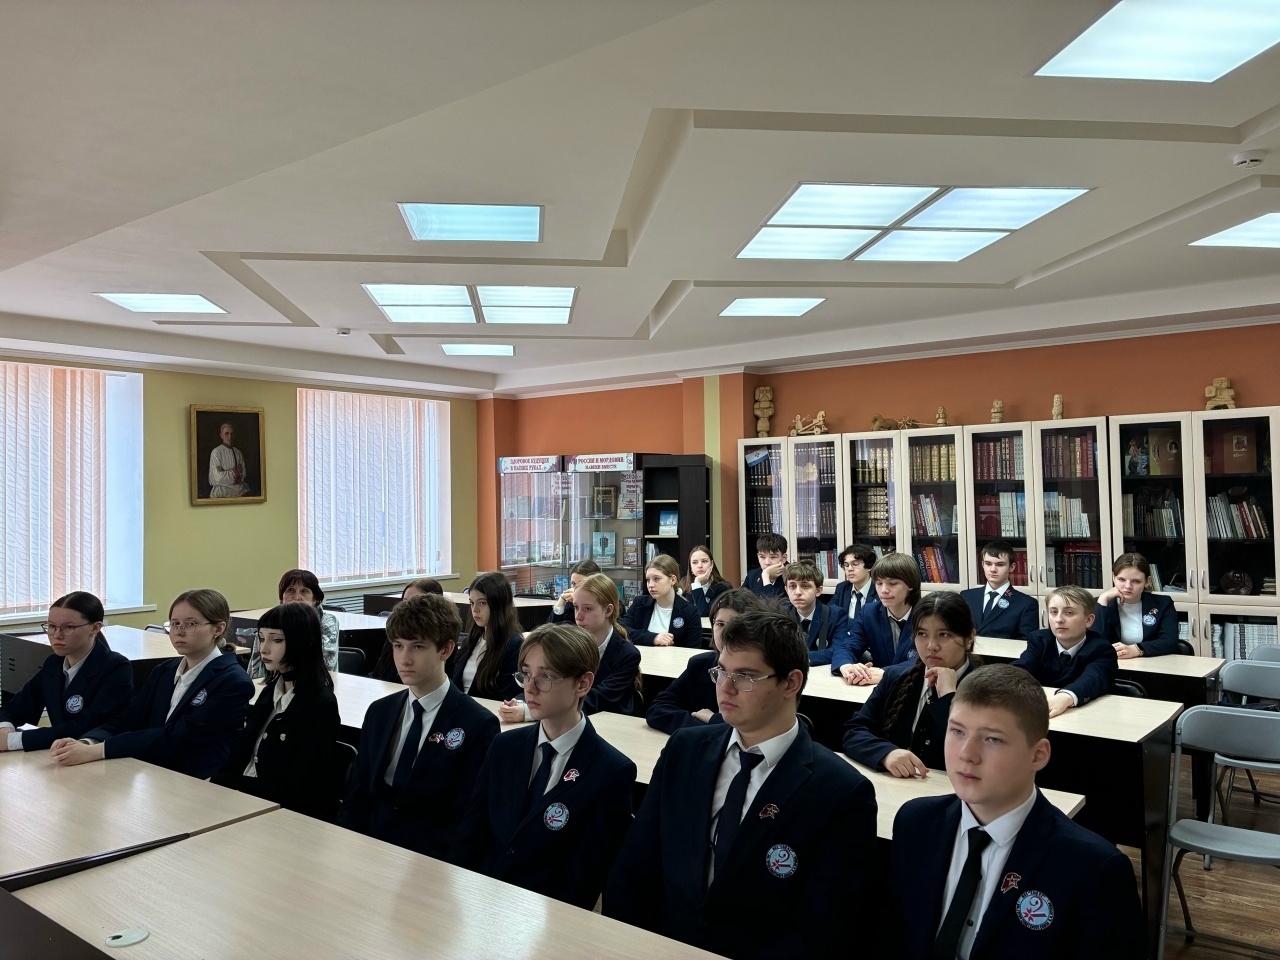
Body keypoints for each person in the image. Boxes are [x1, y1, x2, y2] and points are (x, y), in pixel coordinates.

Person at [603, 610, 878, 960]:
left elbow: (823, 928)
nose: (725, 688)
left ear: (791, 683)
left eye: (745, 676)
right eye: (721, 672)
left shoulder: (841, 791)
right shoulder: (684, 750)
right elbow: (635, 865)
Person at [885, 664, 1144, 959]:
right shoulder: (915, 823)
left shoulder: (1093, 869)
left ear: (1038, 755)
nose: (966, 754)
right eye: (957, 731)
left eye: (992, 739)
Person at [451, 625, 637, 908]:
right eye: (526, 674)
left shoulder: (611, 771)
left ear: (583, 684)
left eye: (546, 677)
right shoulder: (504, 746)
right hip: (481, 896)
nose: (530, 687)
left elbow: (585, 877)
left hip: (547, 912)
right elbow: (471, 833)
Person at [338, 594, 500, 858]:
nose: (405, 659)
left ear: (446, 650)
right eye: (398, 646)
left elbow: (469, 820)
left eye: (418, 647)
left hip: (431, 857)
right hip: (371, 848)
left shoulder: (477, 724)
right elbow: (358, 793)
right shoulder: (380, 712)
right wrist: (345, 844)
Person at [51, 589, 253, 779]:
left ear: (218, 628)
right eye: (174, 623)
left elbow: (178, 737)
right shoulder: (164, 671)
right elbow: (130, 719)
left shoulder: (233, 682)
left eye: (190, 624)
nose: (179, 631)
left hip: (199, 781)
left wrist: (99, 751)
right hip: (154, 773)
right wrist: (88, 741)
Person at [214, 602, 341, 819]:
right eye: (261, 638)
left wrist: (231, 785)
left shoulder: (320, 704)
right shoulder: (269, 692)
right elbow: (240, 753)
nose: (264, 649)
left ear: (301, 642)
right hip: (243, 799)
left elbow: (297, 787)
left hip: (279, 813)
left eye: (276, 640)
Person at [843, 592, 979, 777]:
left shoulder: (988, 690)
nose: (931, 645)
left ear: (969, 637)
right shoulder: (897, 677)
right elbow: (854, 731)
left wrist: (948, 696)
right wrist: (886, 753)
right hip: (900, 786)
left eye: (944, 634)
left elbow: (975, 752)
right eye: (922, 634)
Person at [0, 592, 132, 753]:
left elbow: (83, 727)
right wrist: (5, 729)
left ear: (95, 628)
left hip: (96, 756)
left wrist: (13, 741)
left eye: (69, 627)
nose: (57, 635)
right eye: (52, 626)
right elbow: (17, 707)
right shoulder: (54, 663)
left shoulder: (116, 667)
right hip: (61, 753)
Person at [501, 572, 642, 720]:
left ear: (608, 610)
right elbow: (544, 683)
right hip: (565, 721)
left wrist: (528, 712)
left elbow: (598, 700)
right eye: (576, 607)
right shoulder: (567, 645)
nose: (578, 616)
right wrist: (519, 702)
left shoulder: (627, 654)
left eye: (587, 609)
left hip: (609, 723)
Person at [645, 589, 765, 734]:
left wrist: (714, 719)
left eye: (735, 625)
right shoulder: (700, 665)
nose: (726, 633)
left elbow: (764, 726)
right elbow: (657, 709)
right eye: (720, 624)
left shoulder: (760, 672)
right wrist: (706, 729)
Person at [1010, 585, 1116, 718]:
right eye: (1053, 612)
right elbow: (1022, 667)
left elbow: (1092, 679)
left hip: (1083, 716)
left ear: (1088, 620)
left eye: (1069, 613)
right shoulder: (1040, 640)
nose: (1059, 619)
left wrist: (1066, 697)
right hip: (1037, 709)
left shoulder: (1101, 649)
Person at [831, 551, 920, 686]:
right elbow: (847, 646)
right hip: (876, 689)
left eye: (892, 583)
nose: (884, 590)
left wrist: (885, 673)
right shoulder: (869, 612)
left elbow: (927, 661)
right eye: (878, 583)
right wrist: (847, 667)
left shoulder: (928, 615)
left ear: (910, 584)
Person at [248, 569, 339, 677]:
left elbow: (325, 662)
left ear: (315, 599)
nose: (296, 597)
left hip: (314, 681)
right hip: (272, 682)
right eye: (290, 591)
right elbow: (255, 666)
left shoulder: (327, 621)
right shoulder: (271, 622)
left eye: (304, 591)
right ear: (282, 597)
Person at [448, 572, 523, 702]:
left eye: (482, 603)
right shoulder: (469, 642)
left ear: (499, 605)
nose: (475, 609)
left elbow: (509, 695)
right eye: (472, 603)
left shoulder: (513, 645)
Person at [1093, 553, 1179, 659]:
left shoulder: (1163, 603)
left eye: (1136, 581)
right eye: (1121, 579)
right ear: (1113, 578)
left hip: (1150, 665)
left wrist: (1137, 649)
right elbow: (1093, 644)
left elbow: (1170, 642)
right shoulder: (1099, 604)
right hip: (1108, 665)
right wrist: (1102, 601)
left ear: (1147, 582)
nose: (1128, 586)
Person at [960, 540, 1039, 640]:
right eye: (988, 564)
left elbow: (1025, 643)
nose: (993, 569)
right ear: (982, 564)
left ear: (1011, 567)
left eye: (1000, 564)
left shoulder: (1026, 604)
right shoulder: (966, 597)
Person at [370, 578, 444, 682]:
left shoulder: (441, 639)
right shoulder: (396, 635)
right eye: (405, 602)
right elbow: (379, 674)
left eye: (416, 602)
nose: (408, 608)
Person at [619, 554, 701, 647]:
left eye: (656, 579)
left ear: (673, 580)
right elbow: (621, 630)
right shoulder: (640, 603)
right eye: (648, 580)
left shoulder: (690, 612)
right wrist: (653, 638)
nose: (650, 585)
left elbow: (693, 650)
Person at [782, 560, 838, 665]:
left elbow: (840, 650)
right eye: (792, 586)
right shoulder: (780, 615)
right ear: (786, 590)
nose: (798, 592)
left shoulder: (835, 615)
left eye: (805, 586)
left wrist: (799, 659)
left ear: (818, 590)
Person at [829, 543, 877, 646]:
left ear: (869, 566)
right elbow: (831, 615)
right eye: (846, 565)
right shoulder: (842, 588)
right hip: (844, 643)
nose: (849, 569)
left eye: (855, 564)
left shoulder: (879, 589)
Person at [681, 546, 730, 619]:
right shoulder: (683, 586)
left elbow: (703, 613)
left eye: (704, 561)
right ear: (690, 567)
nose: (700, 566)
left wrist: (697, 583)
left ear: (712, 564)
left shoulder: (723, 588)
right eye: (695, 562)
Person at [547, 560, 601, 625]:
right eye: (573, 583)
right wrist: (562, 599)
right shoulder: (571, 601)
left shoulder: (600, 603)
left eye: (581, 584)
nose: (576, 589)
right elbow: (550, 627)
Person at [208, 421, 250, 498]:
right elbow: (217, 478)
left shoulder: (238, 452)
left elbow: (243, 474)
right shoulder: (216, 452)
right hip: (221, 493)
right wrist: (235, 472)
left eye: (232, 434)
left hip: (239, 492)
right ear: (221, 435)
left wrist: (225, 473)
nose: (230, 437)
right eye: (226, 434)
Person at [741, 532, 788, 600]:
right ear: (758, 557)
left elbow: (772, 604)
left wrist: (766, 576)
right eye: (762, 557)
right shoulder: (752, 575)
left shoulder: (791, 577)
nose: (767, 562)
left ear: (784, 558)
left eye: (773, 557)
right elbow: (740, 601)